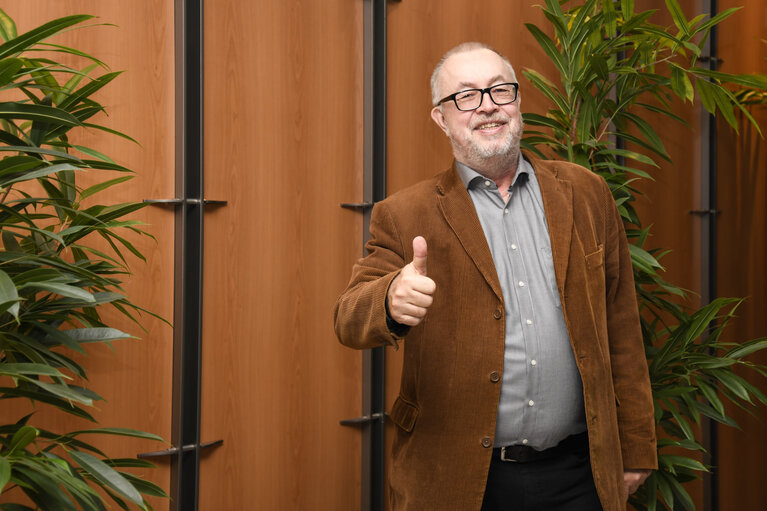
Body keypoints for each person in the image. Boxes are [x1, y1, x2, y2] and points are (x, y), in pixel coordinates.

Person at [334, 42, 657, 511]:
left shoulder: (586, 193)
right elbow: (347, 318)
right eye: (465, 96)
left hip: (579, 474)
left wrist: (636, 447)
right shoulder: (404, 214)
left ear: (518, 103)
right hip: (460, 478)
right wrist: (389, 300)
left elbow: (622, 324)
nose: (487, 105)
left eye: (500, 90)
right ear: (441, 118)